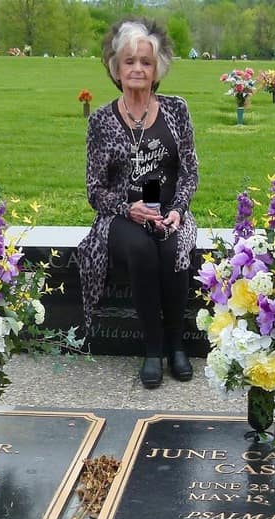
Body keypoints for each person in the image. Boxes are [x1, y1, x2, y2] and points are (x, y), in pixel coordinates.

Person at [78, 17, 199, 388]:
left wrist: (177, 210)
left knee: (173, 249)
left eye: (145, 62)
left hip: (171, 212)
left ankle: (177, 347)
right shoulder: (102, 120)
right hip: (121, 216)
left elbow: (190, 172)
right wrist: (128, 208)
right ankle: (152, 350)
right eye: (129, 61)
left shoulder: (176, 110)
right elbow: (94, 190)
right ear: (116, 68)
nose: (137, 69)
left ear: (157, 69)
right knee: (142, 249)